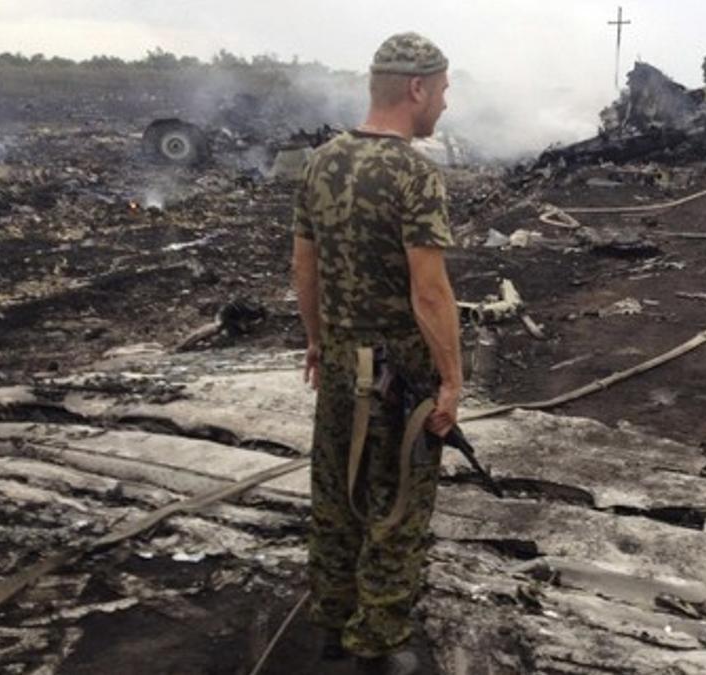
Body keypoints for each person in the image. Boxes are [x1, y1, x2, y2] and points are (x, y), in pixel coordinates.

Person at [291, 32, 461, 675]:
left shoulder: (321, 162)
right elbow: (430, 292)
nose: (445, 104)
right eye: (442, 91)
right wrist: (451, 381)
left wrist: (315, 340)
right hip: (400, 377)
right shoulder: (416, 173)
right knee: (395, 508)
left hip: (337, 362)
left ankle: (333, 630)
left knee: (335, 498)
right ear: (416, 89)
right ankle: (376, 646)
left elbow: (303, 267)